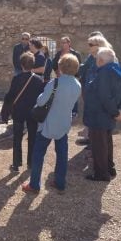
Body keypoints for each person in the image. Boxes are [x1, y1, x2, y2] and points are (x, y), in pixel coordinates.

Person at [22, 54, 81, 194]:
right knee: (62, 155)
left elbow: (41, 101)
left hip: (48, 124)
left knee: (38, 154)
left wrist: (40, 97)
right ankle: (60, 182)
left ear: (61, 67)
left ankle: (34, 184)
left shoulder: (55, 83)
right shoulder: (78, 85)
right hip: (64, 123)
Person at [83, 48, 121, 181]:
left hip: (99, 115)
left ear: (101, 60)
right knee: (106, 142)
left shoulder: (104, 73)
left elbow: (104, 96)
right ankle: (109, 167)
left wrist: (116, 113)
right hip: (107, 114)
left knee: (99, 145)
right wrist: (118, 111)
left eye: (96, 58)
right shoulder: (116, 70)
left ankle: (101, 173)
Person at [3, 52, 44, 172]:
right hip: (32, 112)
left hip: (18, 111)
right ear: (33, 65)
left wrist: (6, 106)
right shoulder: (38, 79)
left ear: (21, 65)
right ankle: (30, 163)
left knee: (17, 137)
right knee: (32, 137)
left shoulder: (17, 79)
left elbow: (10, 95)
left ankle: (16, 163)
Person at [52, 36, 82, 115]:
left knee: (72, 94)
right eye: (61, 43)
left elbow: (78, 66)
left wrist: (77, 77)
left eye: (64, 43)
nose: (62, 44)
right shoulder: (59, 54)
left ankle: (74, 111)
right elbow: (53, 64)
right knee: (63, 94)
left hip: (73, 77)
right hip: (61, 77)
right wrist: (57, 72)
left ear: (69, 43)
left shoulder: (75, 54)